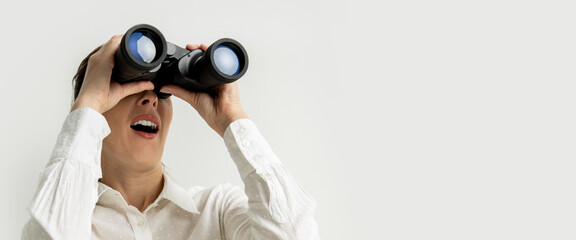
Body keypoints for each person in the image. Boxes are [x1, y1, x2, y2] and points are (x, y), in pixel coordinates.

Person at [21, 35, 320, 239]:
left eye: (162, 92)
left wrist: (231, 119)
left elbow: (296, 233)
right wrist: (86, 107)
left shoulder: (217, 211)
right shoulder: (71, 219)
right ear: (95, 113)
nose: (151, 99)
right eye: (132, 87)